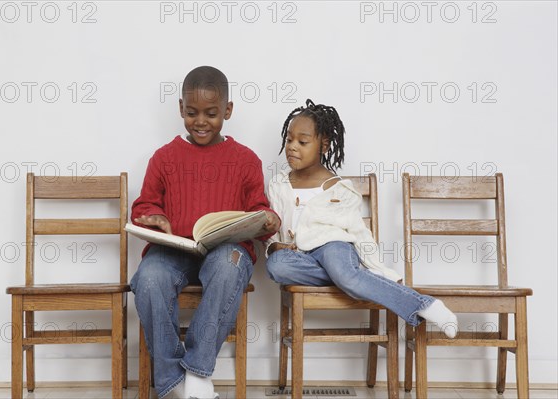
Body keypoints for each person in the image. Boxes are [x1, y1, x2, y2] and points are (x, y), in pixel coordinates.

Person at [130, 66, 279, 399]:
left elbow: (259, 206)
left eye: (211, 114)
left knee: (229, 267)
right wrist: (153, 218)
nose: (201, 121)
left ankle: (197, 370)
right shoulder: (164, 157)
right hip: (174, 250)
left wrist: (267, 219)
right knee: (149, 278)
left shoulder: (245, 159)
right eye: (192, 112)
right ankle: (173, 382)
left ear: (227, 110)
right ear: (181, 108)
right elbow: (143, 207)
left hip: (225, 248)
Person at [265, 99, 458, 338]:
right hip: (297, 256)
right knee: (276, 265)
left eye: (302, 142)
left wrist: (381, 269)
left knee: (342, 269)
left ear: (323, 145)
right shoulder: (278, 184)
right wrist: (274, 245)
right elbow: (272, 224)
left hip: (333, 247)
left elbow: (358, 232)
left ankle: (424, 305)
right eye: (289, 140)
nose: (293, 147)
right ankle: (355, 278)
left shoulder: (340, 189)